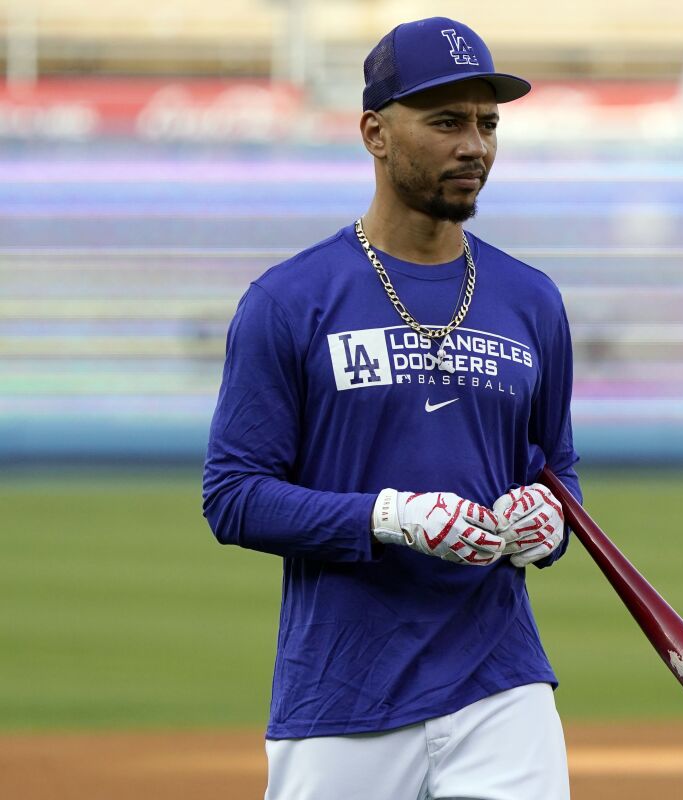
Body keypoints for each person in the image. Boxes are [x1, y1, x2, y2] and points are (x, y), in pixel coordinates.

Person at [202, 17, 580, 799]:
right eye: (446, 122)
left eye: (487, 123)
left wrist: (551, 520)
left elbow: (558, 471)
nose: (474, 145)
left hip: (501, 685)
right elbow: (233, 497)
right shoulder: (289, 300)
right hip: (343, 693)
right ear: (375, 132)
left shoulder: (532, 300)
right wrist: (388, 517)